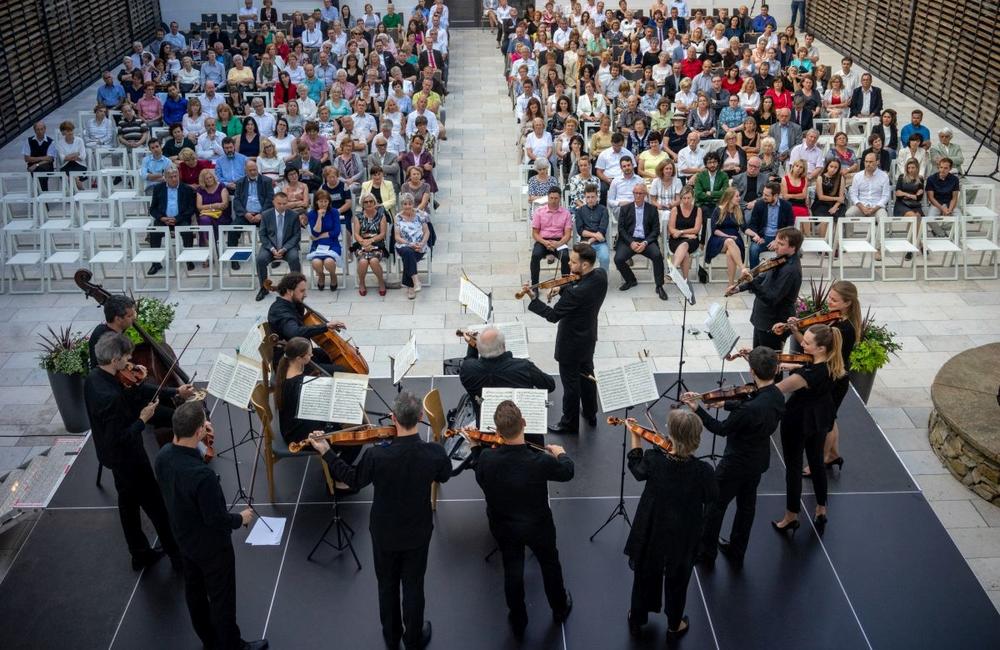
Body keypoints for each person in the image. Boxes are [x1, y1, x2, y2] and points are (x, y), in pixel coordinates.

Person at [309, 391, 451, 650]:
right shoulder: (434, 453)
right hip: (417, 532)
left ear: (393, 418)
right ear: (420, 417)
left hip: (384, 532)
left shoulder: (377, 455)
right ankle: (414, 638)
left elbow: (353, 479)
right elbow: (445, 475)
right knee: (414, 586)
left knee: (386, 585)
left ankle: (391, 634)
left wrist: (327, 452)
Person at [154, 402, 267, 650]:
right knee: (222, 601)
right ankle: (231, 646)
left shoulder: (162, 456)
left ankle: (209, 641)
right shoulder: (201, 476)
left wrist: (200, 439)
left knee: (195, 595)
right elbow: (216, 520)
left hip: (184, 539)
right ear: (198, 432)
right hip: (212, 549)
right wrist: (241, 518)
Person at [84, 333, 192, 571]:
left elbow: (138, 391)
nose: (130, 360)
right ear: (114, 359)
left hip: (111, 457)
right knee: (157, 507)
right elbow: (120, 438)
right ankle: (178, 558)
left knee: (128, 505)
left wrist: (174, 392)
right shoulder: (110, 397)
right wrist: (142, 420)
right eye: (126, 356)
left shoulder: (94, 378)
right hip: (128, 458)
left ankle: (140, 554)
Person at [473, 401, 574, 639]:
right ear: (524, 424)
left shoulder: (487, 459)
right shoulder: (540, 461)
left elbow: (481, 478)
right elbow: (567, 472)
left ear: (497, 433)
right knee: (550, 565)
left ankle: (518, 619)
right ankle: (559, 608)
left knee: (512, 569)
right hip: (538, 526)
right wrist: (562, 454)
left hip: (505, 527)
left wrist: (476, 449)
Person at [680, 347, 783, 569]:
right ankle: (738, 550)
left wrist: (697, 409)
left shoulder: (747, 410)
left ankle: (706, 553)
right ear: (775, 370)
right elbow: (755, 404)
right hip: (758, 461)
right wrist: (725, 403)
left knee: (715, 506)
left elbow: (721, 428)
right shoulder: (777, 396)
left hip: (735, 464)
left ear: (752, 371)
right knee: (747, 507)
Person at [624, 409, 716, 642]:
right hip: (683, 534)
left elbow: (636, 469)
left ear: (671, 436)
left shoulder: (655, 460)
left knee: (644, 574)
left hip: (652, 528)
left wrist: (635, 435)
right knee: (678, 580)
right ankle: (674, 624)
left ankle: (637, 618)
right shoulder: (703, 471)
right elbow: (711, 498)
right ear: (697, 438)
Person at [775, 281, 861, 476]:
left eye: (834, 300)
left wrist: (795, 364)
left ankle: (822, 460)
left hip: (834, 379)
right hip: (829, 374)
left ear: (847, 303)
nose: (829, 301)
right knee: (831, 418)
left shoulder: (844, 330)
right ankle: (833, 454)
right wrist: (795, 329)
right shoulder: (834, 320)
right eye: (830, 297)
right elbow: (811, 347)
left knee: (827, 422)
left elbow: (818, 357)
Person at [524, 243, 608, 434]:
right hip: (588, 338)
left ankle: (569, 422)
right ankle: (590, 412)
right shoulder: (600, 276)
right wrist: (560, 289)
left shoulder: (575, 293)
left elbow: (553, 316)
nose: (569, 264)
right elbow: (578, 282)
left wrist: (533, 299)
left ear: (585, 265)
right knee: (587, 376)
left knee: (570, 385)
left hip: (570, 344)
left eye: (573, 262)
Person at [771, 324, 845, 535]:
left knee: (793, 469)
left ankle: (791, 516)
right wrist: (793, 367)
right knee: (817, 463)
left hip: (798, 421)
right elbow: (810, 369)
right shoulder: (832, 363)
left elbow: (777, 390)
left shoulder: (808, 375)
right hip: (820, 418)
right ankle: (821, 508)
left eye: (807, 343)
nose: (801, 343)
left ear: (821, 348)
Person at [730, 226, 803, 349]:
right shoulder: (781, 259)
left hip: (773, 324)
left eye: (781, 244)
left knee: (766, 362)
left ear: (793, 247)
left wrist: (752, 282)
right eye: (776, 241)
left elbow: (771, 298)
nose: (775, 246)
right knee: (757, 358)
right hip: (762, 320)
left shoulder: (791, 270)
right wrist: (739, 288)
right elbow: (763, 278)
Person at [265, 272, 347, 371]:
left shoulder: (292, 304)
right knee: (342, 371)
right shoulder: (280, 312)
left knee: (331, 355)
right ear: (289, 291)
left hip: (302, 353)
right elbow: (295, 332)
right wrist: (325, 326)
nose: (306, 294)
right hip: (292, 362)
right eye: (302, 291)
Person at [614, 184, 669, 300]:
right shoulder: (625, 209)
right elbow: (621, 229)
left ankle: (659, 286)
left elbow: (655, 230)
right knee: (618, 259)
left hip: (646, 240)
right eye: (636, 193)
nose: (638, 195)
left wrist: (645, 243)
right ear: (633, 194)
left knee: (657, 256)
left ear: (645, 195)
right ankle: (631, 280)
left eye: (640, 193)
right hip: (630, 240)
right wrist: (631, 243)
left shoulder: (652, 209)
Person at [148, 166, 197, 275]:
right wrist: (162, 218)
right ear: (165, 177)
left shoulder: (187, 189)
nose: (174, 179)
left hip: (181, 218)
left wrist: (177, 218)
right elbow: (153, 209)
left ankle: (188, 259)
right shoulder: (158, 188)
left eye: (175, 176)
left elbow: (191, 209)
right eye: (171, 177)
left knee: (187, 231)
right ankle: (155, 263)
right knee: (154, 233)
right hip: (163, 219)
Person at [254, 192, 302, 299]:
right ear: (273, 203)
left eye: (284, 203)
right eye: (279, 203)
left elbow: (297, 235)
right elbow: (262, 234)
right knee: (260, 259)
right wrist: (272, 249)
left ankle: (296, 287)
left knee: (294, 258)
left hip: (288, 247)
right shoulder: (266, 215)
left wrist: (284, 248)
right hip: (270, 247)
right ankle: (263, 288)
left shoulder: (293, 215)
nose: (282, 206)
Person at [705, 187, 749, 285]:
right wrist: (728, 236)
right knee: (729, 241)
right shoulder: (718, 210)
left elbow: (744, 228)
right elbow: (714, 230)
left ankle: (730, 284)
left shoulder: (739, 210)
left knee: (730, 253)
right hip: (718, 239)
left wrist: (754, 235)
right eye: (737, 196)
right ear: (729, 198)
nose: (739, 198)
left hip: (736, 239)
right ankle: (743, 268)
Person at [745, 182, 795, 267]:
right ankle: (754, 276)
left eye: (767, 195)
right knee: (753, 249)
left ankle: (782, 275)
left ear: (775, 196)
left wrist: (777, 240)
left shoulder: (787, 206)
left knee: (791, 250)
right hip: (763, 238)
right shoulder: (759, 204)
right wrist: (756, 236)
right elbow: (752, 224)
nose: (763, 197)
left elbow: (790, 227)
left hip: (780, 238)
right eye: (763, 194)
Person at [529, 187, 573, 285]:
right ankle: (535, 285)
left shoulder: (566, 213)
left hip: (559, 240)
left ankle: (564, 285)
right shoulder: (539, 212)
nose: (553, 201)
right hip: (543, 240)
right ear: (548, 198)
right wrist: (545, 242)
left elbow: (568, 234)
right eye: (551, 198)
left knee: (565, 257)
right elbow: (535, 233)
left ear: (560, 198)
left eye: (556, 198)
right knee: (535, 256)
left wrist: (559, 243)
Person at [394, 193, 431, 299]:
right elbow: (397, 237)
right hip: (404, 244)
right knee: (408, 252)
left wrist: (422, 243)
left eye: (410, 204)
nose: (407, 206)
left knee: (409, 256)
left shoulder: (421, 215)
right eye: (405, 204)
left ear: (413, 203)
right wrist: (410, 244)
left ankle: (410, 287)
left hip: (419, 245)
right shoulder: (398, 217)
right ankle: (415, 281)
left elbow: (427, 232)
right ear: (402, 205)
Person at [305, 190, 342, 291]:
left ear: (329, 202)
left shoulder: (334, 212)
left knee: (329, 262)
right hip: (317, 245)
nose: (323, 204)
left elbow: (336, 232)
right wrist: (319, 217)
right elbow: (315, 233)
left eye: (326, 201)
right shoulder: (311, 214)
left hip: (332, 243)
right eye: (321, 201)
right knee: (316, 262)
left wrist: (319, 236)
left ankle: (333, 276)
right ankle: (321, 276)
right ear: (316, 202)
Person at [668, 186, 702, 280]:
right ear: (681, 198)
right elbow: (671, 228)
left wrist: (681, 232)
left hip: (692, 240)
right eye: (684, 198)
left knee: (685, 244)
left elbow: (696, 229)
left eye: (689, 198)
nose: (686, 201)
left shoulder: (697, 210)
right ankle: (685, 280)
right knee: (685, 253)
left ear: (693, 198)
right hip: (676, 240)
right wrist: (686, 235)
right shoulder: (675, 209)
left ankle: (673, 269)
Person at [845, 153, 891, 221]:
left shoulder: (884, 176)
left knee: (883, 217)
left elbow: (886, 196)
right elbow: (853, 195)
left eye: (871, 162)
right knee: (849, 214)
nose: (868, 164)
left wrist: (874, 208)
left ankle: (879, 232)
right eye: (866, 161)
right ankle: (849, 232)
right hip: (861, 206)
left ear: (877, 162)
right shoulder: (858, 176)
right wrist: (862, 207)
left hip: (877, 207)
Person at [575, 184, 611, 270]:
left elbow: (602, 230)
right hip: (584, 243)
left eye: (592, 197)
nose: (590, 200)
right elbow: (580, 231)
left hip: (600, 243)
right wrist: (595, 236)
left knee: (605, 258)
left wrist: (590, 240)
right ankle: (584, 281)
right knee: (579, 260)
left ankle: (603, 280)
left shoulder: (603, 210)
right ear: (585, 197)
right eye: (588, 197)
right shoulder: (580, 211)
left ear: (597, 196)